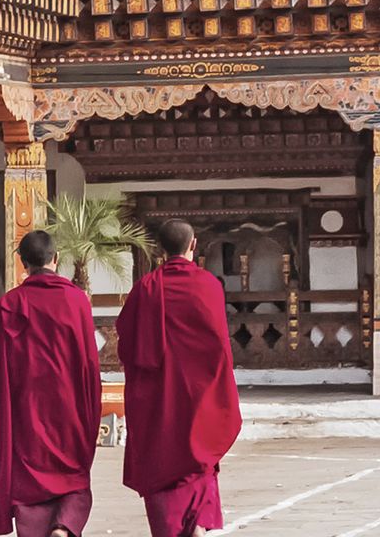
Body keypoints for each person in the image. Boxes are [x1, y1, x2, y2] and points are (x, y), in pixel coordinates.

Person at [117, 219, 242, 537]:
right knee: (199, 455)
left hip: (158, 397)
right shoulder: (208, 285)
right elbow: (220, 347)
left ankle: (173, 525)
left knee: (162, 458)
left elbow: (126, 344)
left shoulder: (144, 289)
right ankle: (197, 519)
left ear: (160, 248)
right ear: (193, 245)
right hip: (199, 393)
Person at [0, 230, 105, 537]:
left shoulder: (8, 306)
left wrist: (1, 419)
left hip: (27, 412)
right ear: (56, 258)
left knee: (29, 481)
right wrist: (91, 410)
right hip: (69, 408)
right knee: (72, 474)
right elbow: (89, 364)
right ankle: (64, 525)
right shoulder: (76, 300)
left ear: (23, 263)